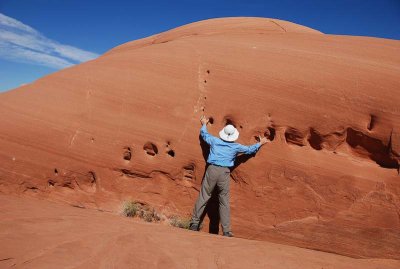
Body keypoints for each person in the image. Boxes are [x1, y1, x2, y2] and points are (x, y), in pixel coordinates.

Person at [189, 115, 269, 237]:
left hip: (212, 170)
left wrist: (204, 124)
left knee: (204, 196)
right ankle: (226, 231)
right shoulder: (236, 147)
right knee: (224, 201)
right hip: (224, 173)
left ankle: (194, 224)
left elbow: (204, 135)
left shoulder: (215, 141)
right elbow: (248, 150)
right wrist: (260, 143)